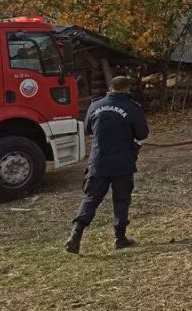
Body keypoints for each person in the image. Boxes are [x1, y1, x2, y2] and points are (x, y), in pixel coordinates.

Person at [65, 75, 148, 254]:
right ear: (127, 89)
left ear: (110, 88)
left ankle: (76, 233)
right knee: (121, 199)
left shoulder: (95, 105)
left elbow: (88, 129)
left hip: (98, 161)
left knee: (91, 198)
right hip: (122, 162)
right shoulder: (133, 108)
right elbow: (142, 134)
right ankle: (120, 238)